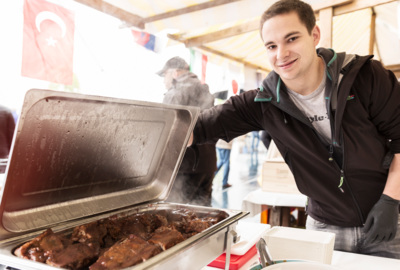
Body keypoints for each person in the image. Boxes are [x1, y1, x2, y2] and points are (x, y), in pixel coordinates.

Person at [189, 0, 400, 259]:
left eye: (291, 39)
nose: (281, 54)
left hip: (390, 221)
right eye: (272, 46)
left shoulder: (366, 76)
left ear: (314, 35)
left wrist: (391, 200)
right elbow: (198, 127)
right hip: (324, 226)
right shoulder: (262, 103)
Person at [157, 56, 217, 206]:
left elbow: (167, 131)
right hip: (208, 163)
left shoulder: (176, 92)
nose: (164, 81)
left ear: (175, 73)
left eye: (165, 75)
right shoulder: (205, 89)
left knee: (180, 214)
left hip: (185, 166)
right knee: (203, 213)